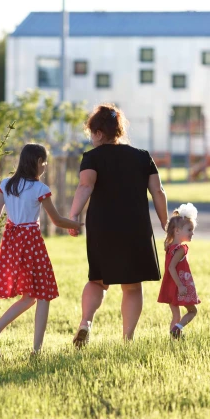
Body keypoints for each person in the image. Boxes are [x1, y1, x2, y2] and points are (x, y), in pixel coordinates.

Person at [68, 104, 168, 346]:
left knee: (97, 280)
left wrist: (72, 217)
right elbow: (158, 191)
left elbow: (85, 187)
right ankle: (127, 338)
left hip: (103, 226)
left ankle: (85, 323)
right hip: (136, 227)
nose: (91, 139)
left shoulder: (92, 158)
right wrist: (166, 224)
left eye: (92, 134)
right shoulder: (143, 156)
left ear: (99, 133)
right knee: (132, 286)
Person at [0, 143, 83, 357]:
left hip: (11, 242)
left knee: (29, 297)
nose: (45, 166)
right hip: (31, 243)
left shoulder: (7, 184)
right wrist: (75, 225)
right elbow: (56, 220)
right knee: (42, 294)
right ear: (37, 162)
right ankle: (36, 350)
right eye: (44, 162)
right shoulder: (39, 189)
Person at [157, 203, 200, 338]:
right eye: (189, 230)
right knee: (193, 311)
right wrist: (181, 285)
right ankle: (178, 328)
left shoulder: (170, 247)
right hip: (179, 285)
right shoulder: (181, 249)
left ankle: (174, 337)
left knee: (176, 314)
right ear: (177, 231)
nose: (192, 233)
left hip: (170, 285)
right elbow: (171, 267)